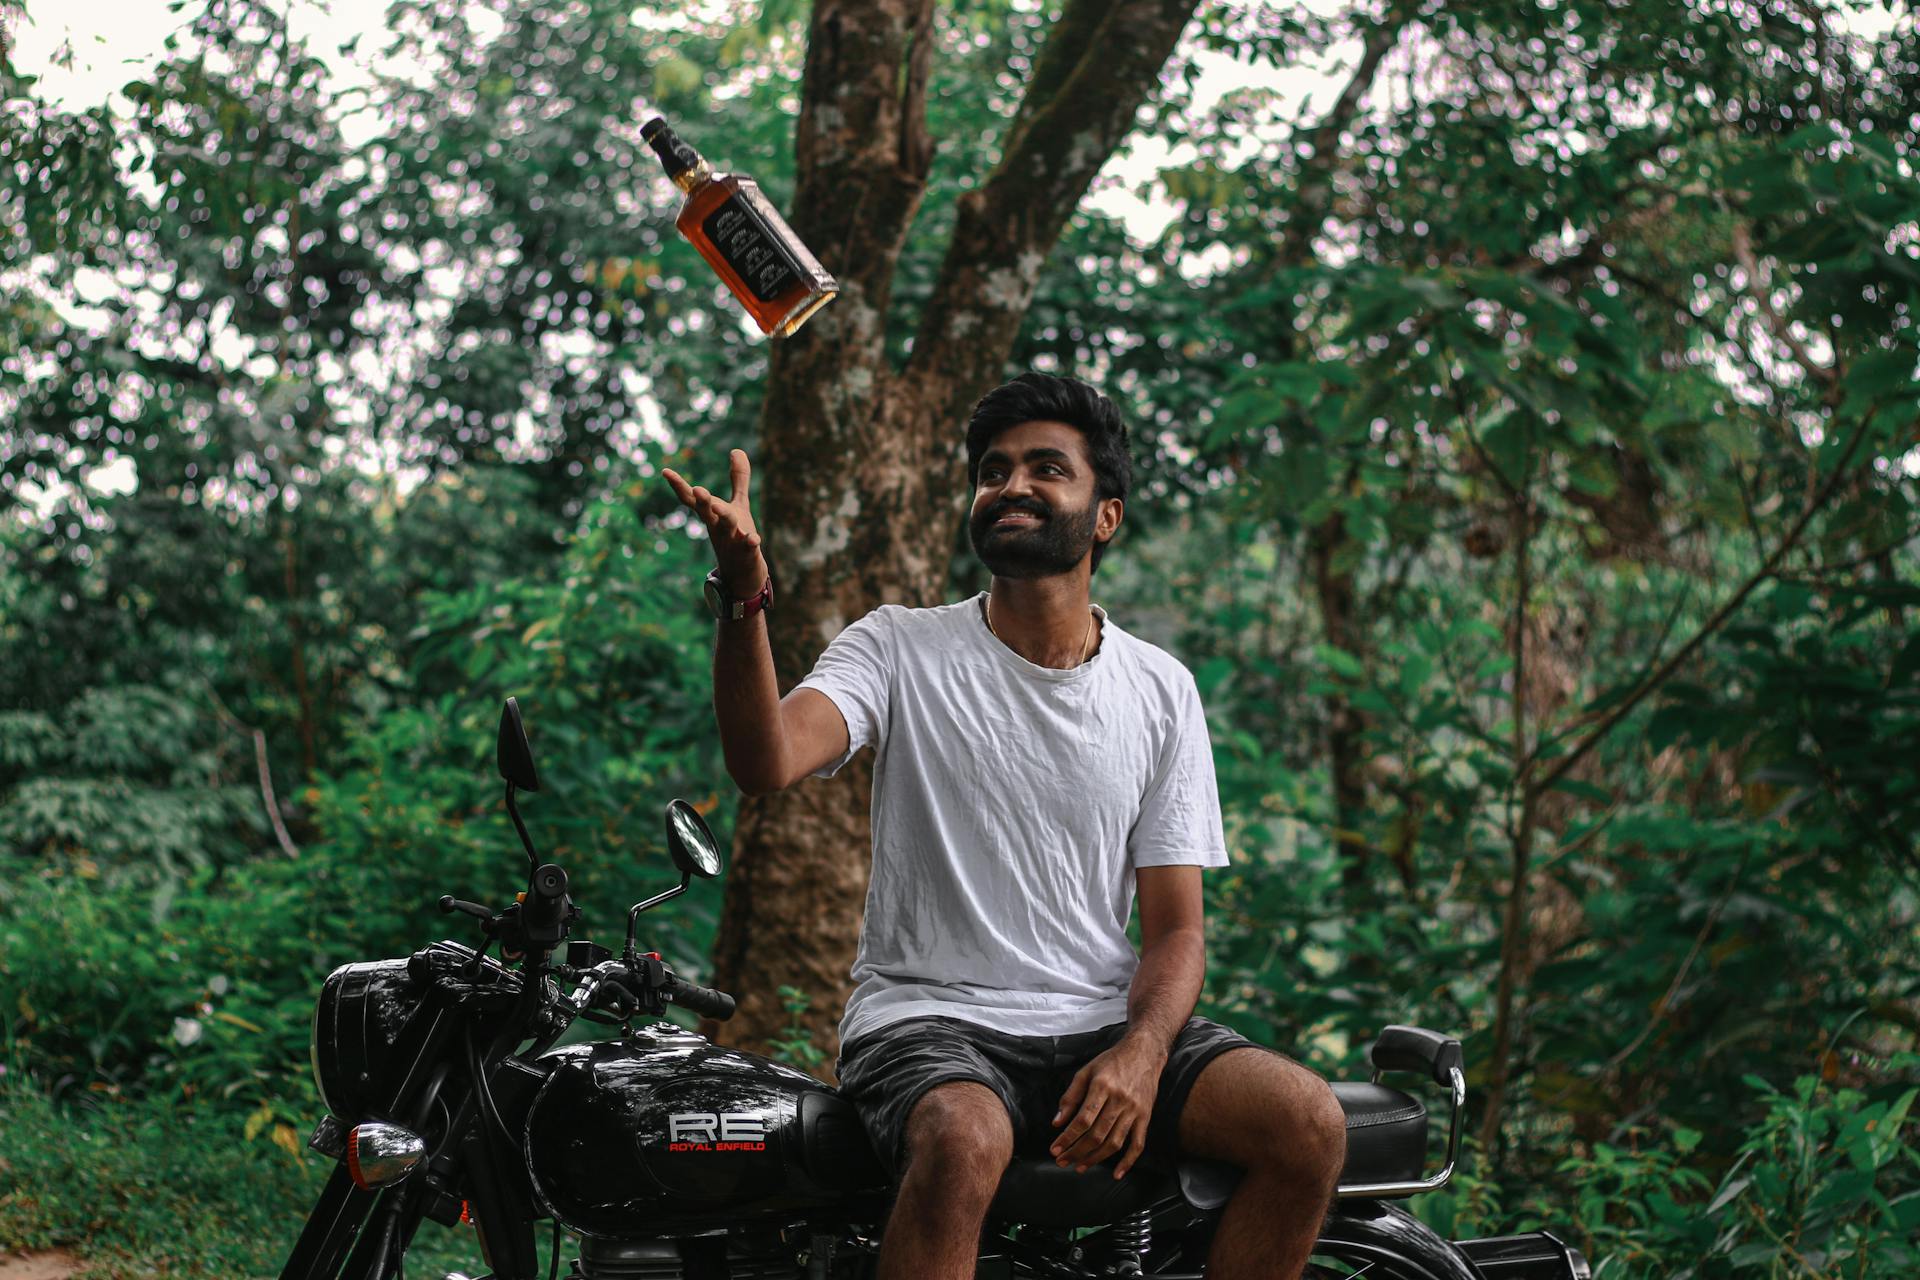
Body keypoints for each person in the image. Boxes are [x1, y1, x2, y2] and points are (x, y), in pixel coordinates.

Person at [662, 372, 1347, 1280]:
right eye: (993, 470)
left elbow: (1178, 932)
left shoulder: (1159, 690)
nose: (1011, 485)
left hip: (1104, 1021)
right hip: (926, 1017)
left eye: (1045, 468)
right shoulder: (899, 645)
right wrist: (744, 597)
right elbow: (766, 760)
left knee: (1306, 1122)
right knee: (961, 1135)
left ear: (1104, 514)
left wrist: (1141, 1056)